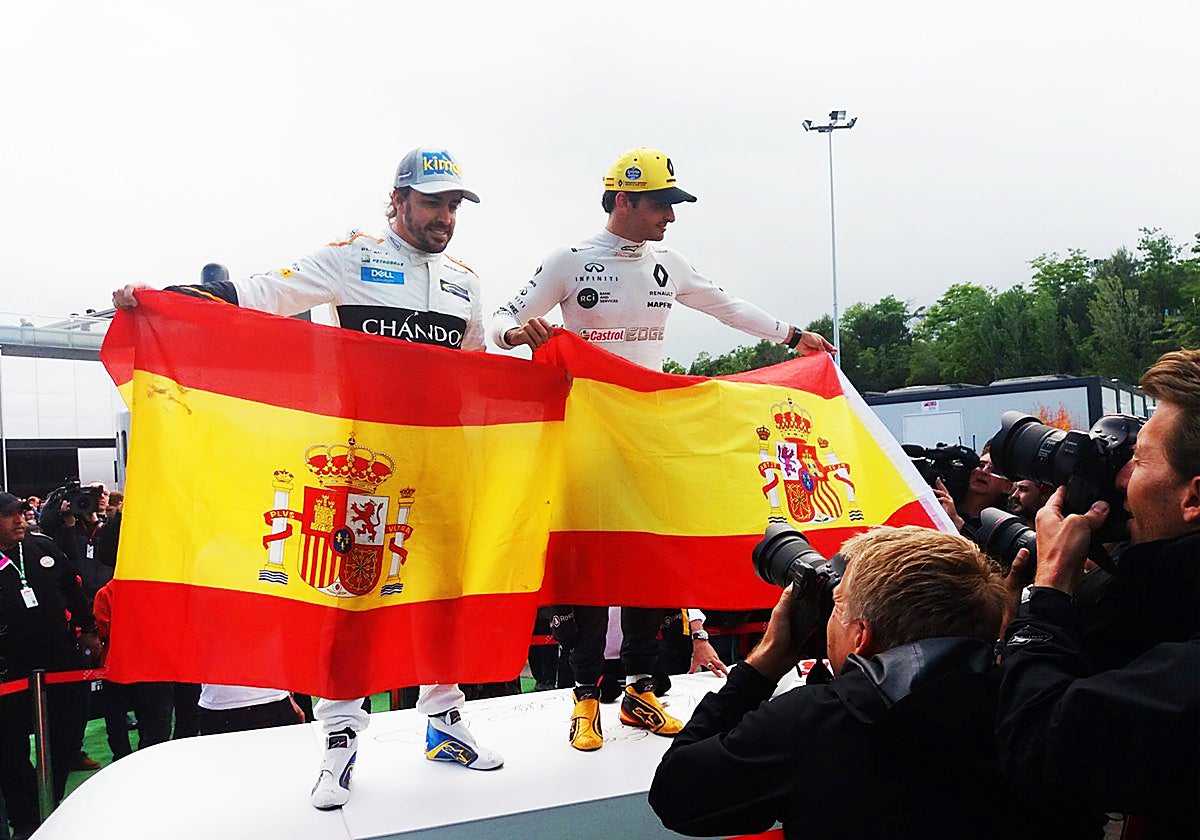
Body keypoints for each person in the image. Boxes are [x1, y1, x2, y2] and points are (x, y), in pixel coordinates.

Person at [112, 146, 501, 810]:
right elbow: (264, 294)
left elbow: (476, 364)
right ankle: (340, 741)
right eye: (433, 202)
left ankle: (444, 721)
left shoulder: (465, 279)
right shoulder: (351, 257)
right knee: (349, 600)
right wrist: (164, 300)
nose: (445, 216)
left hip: (439, 462)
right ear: (399, 200)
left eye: (454, 205)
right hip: (362, 465)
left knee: (442, 595)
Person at [489, 147, 832, 751]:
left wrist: (791, 335)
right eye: (661, 204)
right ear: (624, 200)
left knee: (653, 554)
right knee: (592, 561)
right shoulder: (569, 260)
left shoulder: (668, 263)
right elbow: (502, 320)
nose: (670, 217)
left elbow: (726, 306)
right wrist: (521, 333)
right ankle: (586, 697)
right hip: (587, 433)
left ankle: (643, 693)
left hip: (652, 433)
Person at [648, 526, 1099, 840]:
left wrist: (765, 661)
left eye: (837, 608)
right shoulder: (1043, 704)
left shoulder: (815, 723)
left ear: (861, 636)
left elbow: (677, 795)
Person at [997, 349, 1200, 837]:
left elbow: (1042, 747)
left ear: (1193, 498)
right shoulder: (1169, 596)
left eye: (1138, 460)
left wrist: (1049, 591)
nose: (1122, 480)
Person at [0, 492, 102, 839]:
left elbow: (74, 589)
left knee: (68, 734)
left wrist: (89, 630)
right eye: (8, 516)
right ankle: (26, 816)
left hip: (60, 664)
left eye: (19, 514)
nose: (19, 521)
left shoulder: (42, 547)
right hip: (7, 672)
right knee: (8, 748)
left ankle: (53, 800)